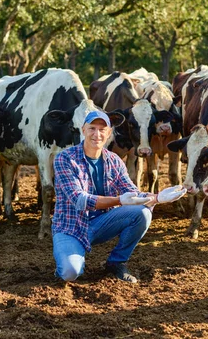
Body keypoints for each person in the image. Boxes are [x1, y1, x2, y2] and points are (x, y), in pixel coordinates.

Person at [52, 110, 187, 283]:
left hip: (102, 224)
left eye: (102, 130)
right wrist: (119, 200)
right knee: (70, 273)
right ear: (83, 129)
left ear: (109, 133)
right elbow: (79, 199)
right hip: (71, 227)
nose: (97, 134)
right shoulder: (65, 159)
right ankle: (64, 265)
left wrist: (157, 197)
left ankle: (116, 262)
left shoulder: (114, 160)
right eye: (92, 128)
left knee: (142, 213)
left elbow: (131, 191)